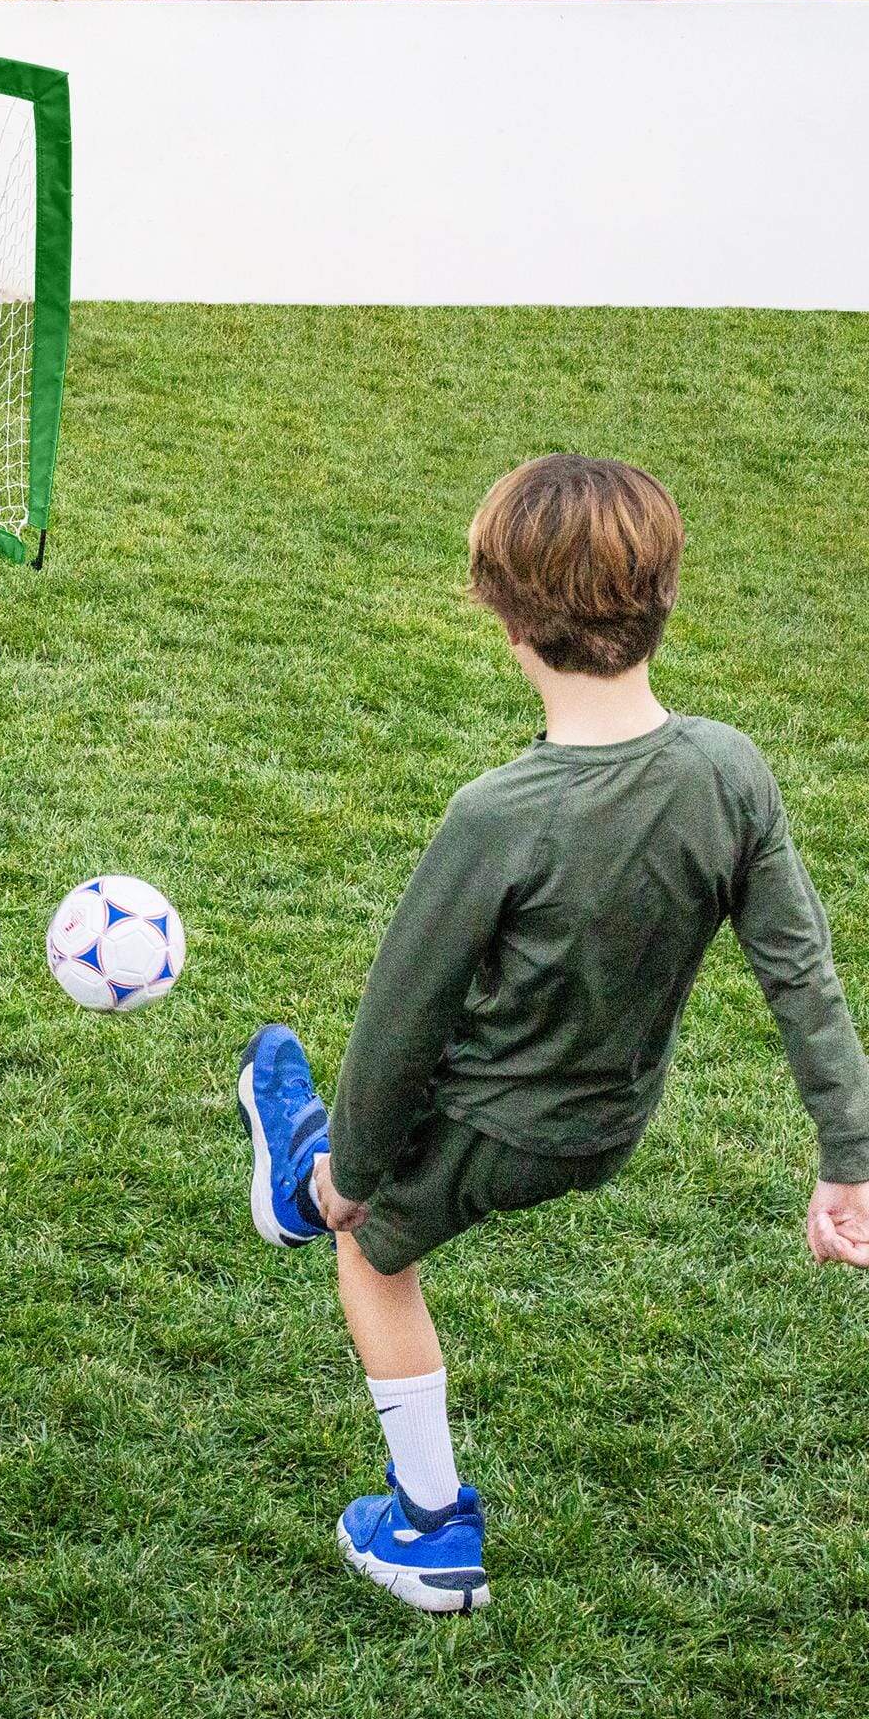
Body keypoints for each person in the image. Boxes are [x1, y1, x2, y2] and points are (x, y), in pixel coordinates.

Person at [237, 453, 869, 1614]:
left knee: (367, 1252)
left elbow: (397, 1027)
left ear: (504, 617)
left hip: (493, 1124)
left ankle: (426, 1526)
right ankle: (303, 1168)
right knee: (354, 1165)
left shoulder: (496, 816)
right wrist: (848, 1159)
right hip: (607, 1124)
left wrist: (356, 1178)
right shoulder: (728, 770)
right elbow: (800, 975)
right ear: (665, 594)